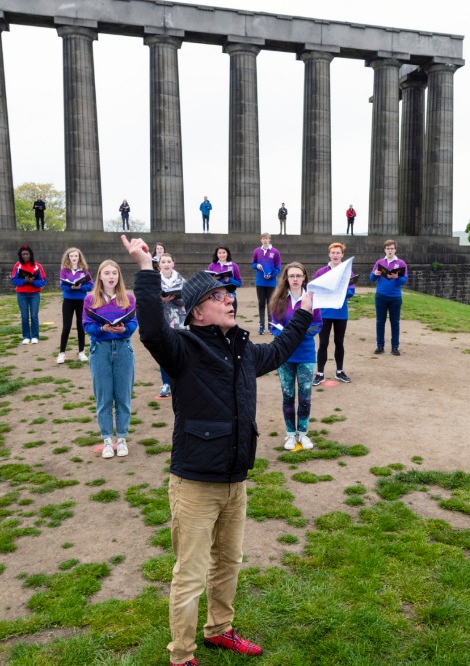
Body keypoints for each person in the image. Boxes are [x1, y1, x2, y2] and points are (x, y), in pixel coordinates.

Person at [124, 234, 313, 666]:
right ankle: (182, 655)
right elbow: (152, 328)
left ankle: (220, 630)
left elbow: (281, 350)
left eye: (229, 293)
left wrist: (302, 315)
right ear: (198, 311)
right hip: (194, 482)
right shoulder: (183, 349)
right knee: (190, 574)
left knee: (229, 561)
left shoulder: (244, 351)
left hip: (235, 477)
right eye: (218, 295)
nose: (230, 299)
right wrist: (146, 270)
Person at [83, 260, 138, 459]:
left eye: (114, 273)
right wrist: (101, 328)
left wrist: (125, 328)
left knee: (123, 396)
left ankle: (122, 438)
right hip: (100, 350)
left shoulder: (128, 298)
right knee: (104, 397)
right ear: (100, 276)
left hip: (123, 348)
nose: (111, 277)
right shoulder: (90, 299)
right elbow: (86, 325)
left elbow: (133, 322)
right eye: (107, 273)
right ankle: (107, 439)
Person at [270, 263, 323, 450]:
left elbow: (318, 324)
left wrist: (300, 334)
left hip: (306, 354)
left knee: (305, 397)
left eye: (298, 276)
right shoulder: (279, 300)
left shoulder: (311, 300)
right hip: (285, 355)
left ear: (304, 278)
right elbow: (272, 326)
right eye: (291, 275)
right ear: (286, 278)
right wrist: (286, 336)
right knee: (288, 396)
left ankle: (303, 432)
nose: (295, 279)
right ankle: (290, 434)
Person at [313, 242, 355, 384]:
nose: (335, 255)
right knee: (323, 343)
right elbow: (313, 290)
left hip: (341, 313)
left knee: (339, 342)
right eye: (333, 252)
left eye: (338, 253)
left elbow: (351, 292)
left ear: (342, 255)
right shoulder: (321, 272)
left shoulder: (347, 272)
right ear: (329, 254)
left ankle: (339, 371)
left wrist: (342, 292)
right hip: (324, 313)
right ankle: (320, 373)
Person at [369, 239, 408, 355]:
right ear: (384, 250)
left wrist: (397, 277)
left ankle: (395, 347)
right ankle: (380, 346)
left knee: (395, 322)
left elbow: (404, 280)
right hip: (381, 296)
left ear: (395, 249)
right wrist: (374, 274)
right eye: (387, 248)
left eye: (391, 248)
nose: (390, 251)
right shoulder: (379, 262)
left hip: (395, 297)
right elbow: (371, 279)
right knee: (380, 321)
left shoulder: (401, 263)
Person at [157, 253, 186, 398]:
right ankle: (166, 383)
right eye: (163, 261)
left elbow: (188, 299)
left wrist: (176, 298)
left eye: (169, 261)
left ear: (173, 263)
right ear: (159, 265)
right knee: (164, 352)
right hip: (163, 319)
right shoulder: (155, 281)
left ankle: (182, 382)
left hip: (180, 319)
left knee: (181, 350)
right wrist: (160, 299)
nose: (166, 264)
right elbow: (150, 300)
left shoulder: (182, 280)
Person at [58, 247, 94, 364]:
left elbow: (90, 285)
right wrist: (71, 287)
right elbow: (62, 286)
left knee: (80, 326)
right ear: (68, 257)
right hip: (68, 301)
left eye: (76, 256)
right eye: (72, 256)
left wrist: (81, 287)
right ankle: (62, 353)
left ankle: (81, 352)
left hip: (81, 301)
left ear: (79, 257)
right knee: (66, 327)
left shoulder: (84, 271)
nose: (74, 258)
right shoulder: (64, 270)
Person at [10, 245, 46, 344]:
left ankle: (35, 336)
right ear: (20, 256)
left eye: (27, 254)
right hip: (22, 294)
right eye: (23, 254)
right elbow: (13, 279)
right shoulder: (17, 265)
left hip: (34, 294)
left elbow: (43, 280)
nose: (25, 256)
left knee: (34, 315)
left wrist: (33, 282)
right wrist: (24, 281)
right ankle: (26, 336)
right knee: (24, 316)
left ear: (30, 255)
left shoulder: (37, 266)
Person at [250, 232, 281, 335]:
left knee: (271, 304)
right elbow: (253, 264)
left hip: (271, 283)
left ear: (269, 239)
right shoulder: (257, 251)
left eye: (267, 238)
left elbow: (278, 268)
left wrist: (271, 275)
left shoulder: (275, 252)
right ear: (261, 240)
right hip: (260, 282)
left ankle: (271, 326)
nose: (265, 240)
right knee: (261, 304)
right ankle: (262, 326)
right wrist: (257, 266)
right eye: (263, 238)